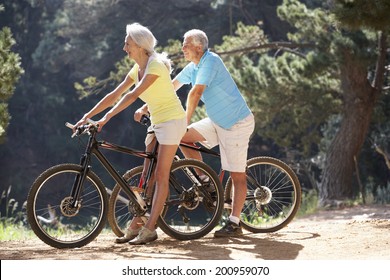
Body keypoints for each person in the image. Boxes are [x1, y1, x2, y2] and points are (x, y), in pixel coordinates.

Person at [74, 23, 186, 245]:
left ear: (141, 46)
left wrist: (105, 119)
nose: (124, 48)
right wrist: (87, 115)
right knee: (146, 178)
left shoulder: (154, 66)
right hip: (156, 121)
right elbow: (115, 94)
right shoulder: (137, 69)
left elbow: (133, 96)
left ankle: (150, 229)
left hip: (172, 121)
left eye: (128, 44)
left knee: (161, 176)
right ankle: (137, 224)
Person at [172, 29, 255, 238]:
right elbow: (172, 86)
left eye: (186, 44)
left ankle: (235, 223)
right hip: (218, 121)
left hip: (236, 123)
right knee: (180, 137)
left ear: (199, 47)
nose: (182, 48)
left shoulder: (210, 61)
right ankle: (205, 180)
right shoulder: (194, 66)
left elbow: (195, 92)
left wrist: (185, 120)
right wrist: (146, 107)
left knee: (237, 175)